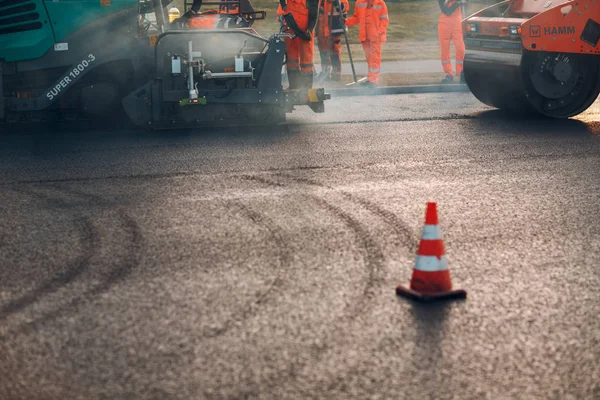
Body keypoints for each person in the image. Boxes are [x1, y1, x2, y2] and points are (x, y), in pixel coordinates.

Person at [345, 0, 388, 88]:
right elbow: (356, 18)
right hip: (365, 36)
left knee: (374, 58)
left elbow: (385, 20)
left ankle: (373, 81)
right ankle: (371, 79)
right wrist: (345, 22)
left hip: (376, 37)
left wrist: (379, 32)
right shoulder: (359, 2)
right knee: (369, 58)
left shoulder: (380, 3)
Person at [277, 0, 319, 89]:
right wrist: (283, 5)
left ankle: (307, 87)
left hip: (305, 26)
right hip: (290, 23)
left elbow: (314, 8)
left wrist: (310, 28)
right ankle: (294, 86)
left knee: (306, 59)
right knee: (291, 58)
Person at [316, 0, 350, 82]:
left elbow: (344, 9)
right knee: (323, 52)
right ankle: (325, 72)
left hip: (333, 29)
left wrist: (336, 3)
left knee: (334, 52)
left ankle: (336, 74)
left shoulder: (341, 1)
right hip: (321, 30)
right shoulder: (320, 1)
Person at [438, 0, 466, 84]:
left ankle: (461, 72)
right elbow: (446, 11)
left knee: (461, 49)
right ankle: (448, 74)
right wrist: (457, 3)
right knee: (445, 50)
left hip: (457, 24)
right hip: (444, 24)